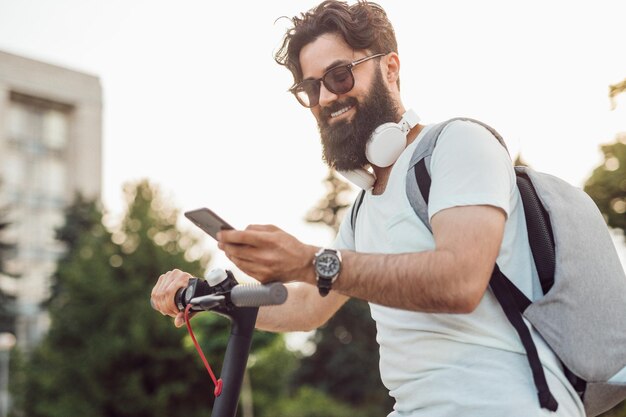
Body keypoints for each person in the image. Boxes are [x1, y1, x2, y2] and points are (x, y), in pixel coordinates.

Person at [151, 1, 585, 416]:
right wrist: (218, 297)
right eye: (310, 87)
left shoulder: (458, 144)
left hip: (508, 404)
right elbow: (306, 308)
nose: (324, 97)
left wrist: (309, 261)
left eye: (339, 76)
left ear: (390, 68)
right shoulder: (364, 206)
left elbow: (460, 281)